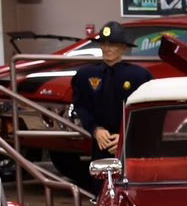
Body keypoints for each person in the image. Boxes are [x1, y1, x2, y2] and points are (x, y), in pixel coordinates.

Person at [63, 21, 153, 192]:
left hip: (131, 146)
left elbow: (148, 113)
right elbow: (81, 106)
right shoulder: (86, 75)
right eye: (104, 43)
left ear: (123, 48)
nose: (107, 48)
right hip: (101, 145)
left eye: (113, 44)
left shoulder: (139, 76)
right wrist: (95, 130)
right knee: (102, 189)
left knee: (131, 189)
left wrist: (126, 135)